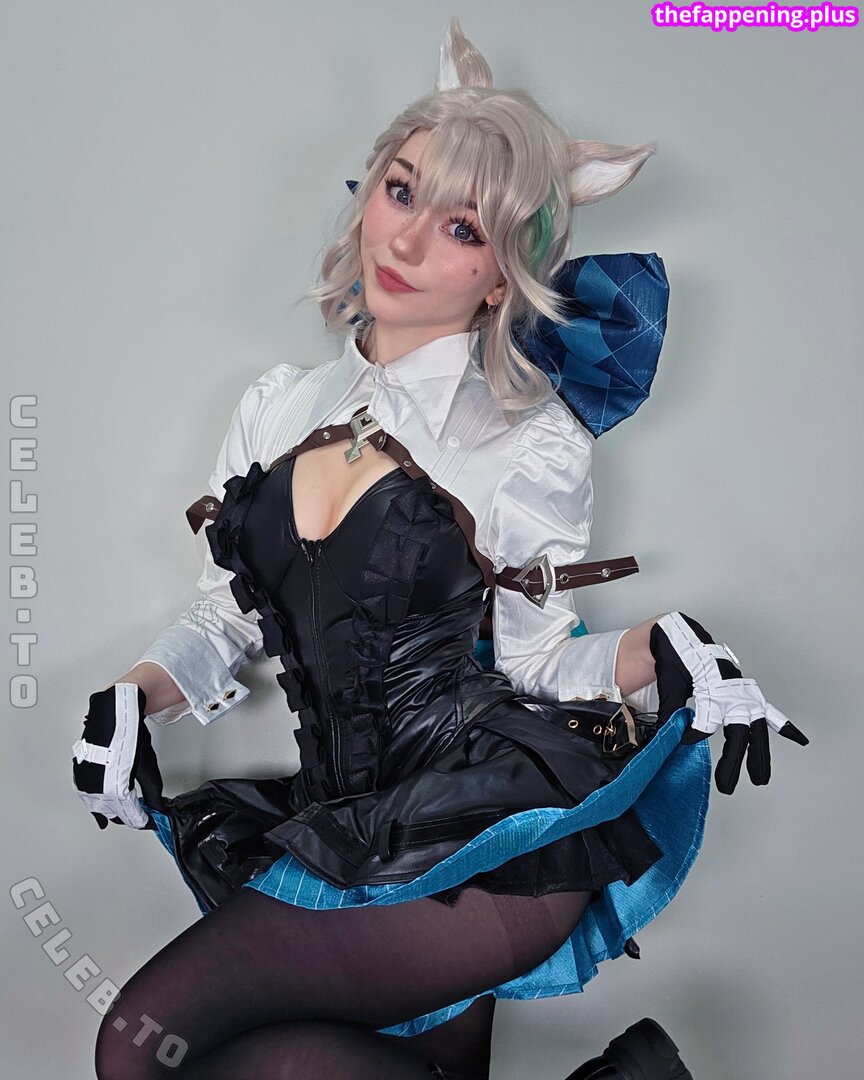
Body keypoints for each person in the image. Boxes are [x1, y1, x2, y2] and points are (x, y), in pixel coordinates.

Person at [73, 21, 807, 1080]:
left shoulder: (529, 440)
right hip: (345, 820)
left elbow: (540, 660)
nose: (408, 243)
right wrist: (134, 696)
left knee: (139, 1048)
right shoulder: (279, 406)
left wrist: (669, 647)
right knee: (300, 1067)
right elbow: (226, 613)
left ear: (503, 277)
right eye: (402, 191)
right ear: (369, 190)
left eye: (462, 228)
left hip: (483, 833)